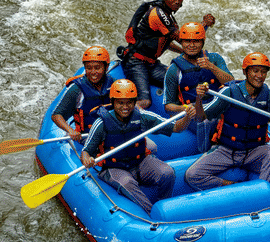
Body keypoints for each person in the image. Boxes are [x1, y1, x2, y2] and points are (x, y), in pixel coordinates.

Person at [184, 52, 270, 191]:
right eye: (255, 71)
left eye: (263, 72)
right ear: (245, 71)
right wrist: (199, 99)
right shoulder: (228, 93)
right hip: (227, 150)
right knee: (192, 175)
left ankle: (261, 192)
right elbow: (201, 117)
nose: (259, 76)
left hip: (255, 151)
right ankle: (229, 185)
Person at [80, 79, 191, 215]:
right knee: (127, 183)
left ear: (134, 102)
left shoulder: (143, 116)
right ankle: (152, 215)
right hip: (114, 168)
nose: (125, 107)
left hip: (140, 162)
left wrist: (187, 118)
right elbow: (86, 152)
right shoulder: (101, 123)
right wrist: (87, 159)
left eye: (129, 102)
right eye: (121, 103)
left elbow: (176, 128)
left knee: (167, 173)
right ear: (113, 102)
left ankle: (163, 206)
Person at [119, 0, 216, 110]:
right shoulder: (158, 14)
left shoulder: (167, 15)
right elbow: (183, 38)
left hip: (151, 64)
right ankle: (122, 123)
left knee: (179, 81)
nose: (177, 1)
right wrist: (204, 25)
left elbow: (166, 41)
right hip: (135, 62)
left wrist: (183, 51)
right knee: (145, 102)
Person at [163, 22, 233, 152]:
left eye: (196, 41)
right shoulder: (174, 70)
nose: (191, 45)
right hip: (194, 114)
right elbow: (168, 106)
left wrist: (212, 67)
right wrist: (185, 109)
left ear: (202, 42)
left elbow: (231, 83)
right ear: (181, 42)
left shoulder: (214, 59)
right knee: (205, 121)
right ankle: (207, 152)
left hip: (217, 107)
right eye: (187, 41)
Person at [51, 46, 114, 143]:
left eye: (97, 68)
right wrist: (70, 131)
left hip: (112, 131)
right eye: (89, 68)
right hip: (87, 135)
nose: (93, 72)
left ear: (106, 67)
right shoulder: (77, 89)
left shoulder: (113, 83)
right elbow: (57, 115)